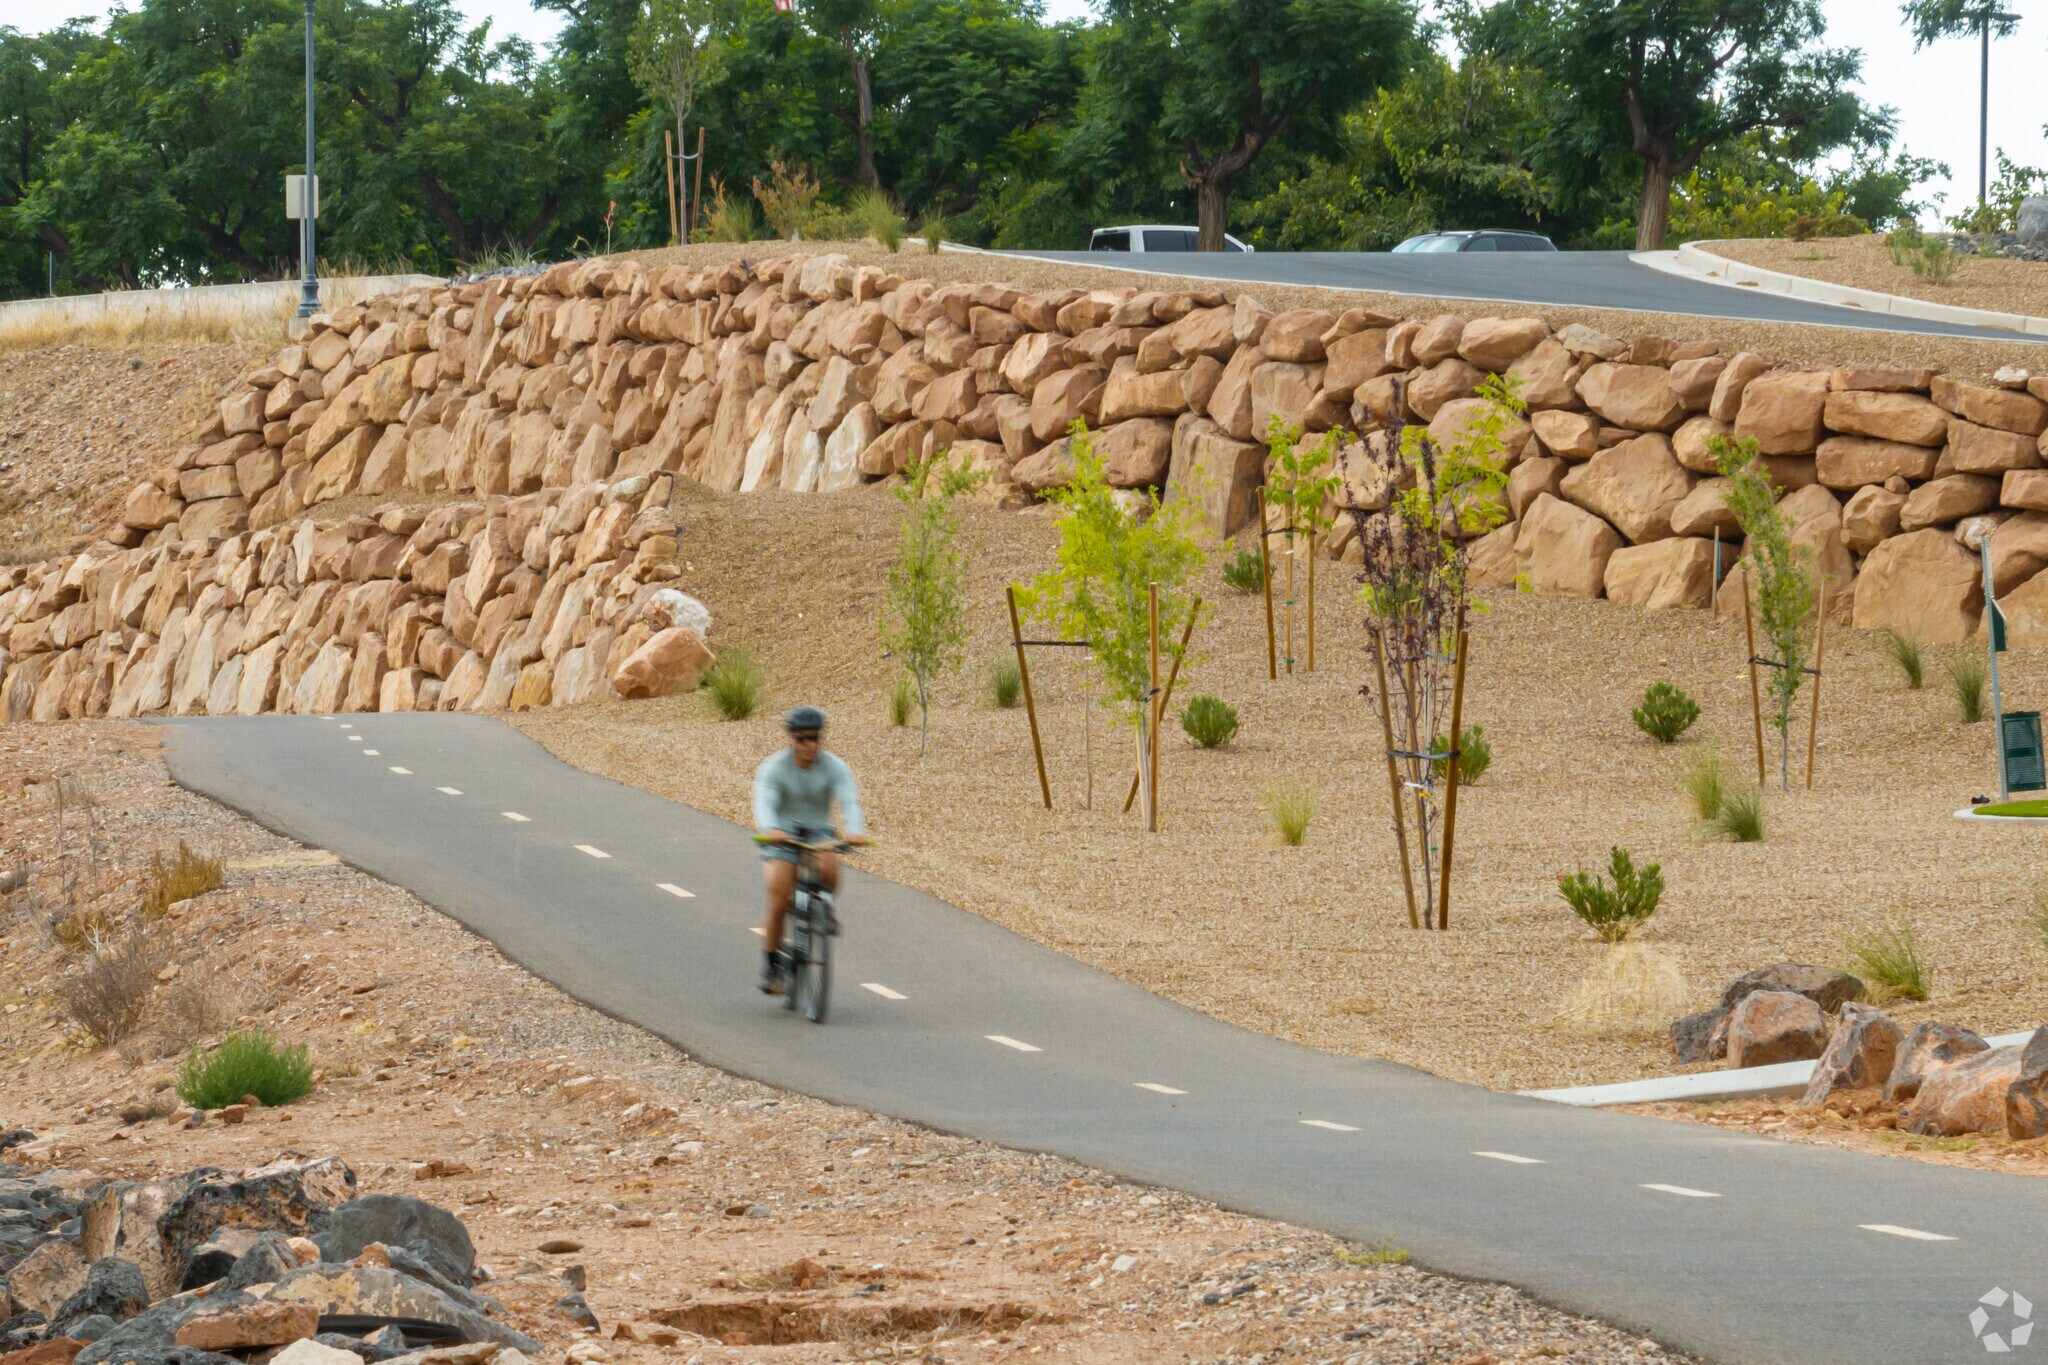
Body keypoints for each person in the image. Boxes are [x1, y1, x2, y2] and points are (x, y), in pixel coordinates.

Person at [753, 705, 868, 993]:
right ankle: (772, 965)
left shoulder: (835, 767)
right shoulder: (774, 768)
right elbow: (764, 802)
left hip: (818, 830)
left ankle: (823, 908)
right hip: (782, 833)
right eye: (803, 739)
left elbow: (849, 800)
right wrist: (770, 829)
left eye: (815, 738)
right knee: (779, 896)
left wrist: (855, 831)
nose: (810, 745)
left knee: (829, 867)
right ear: (792, 739)